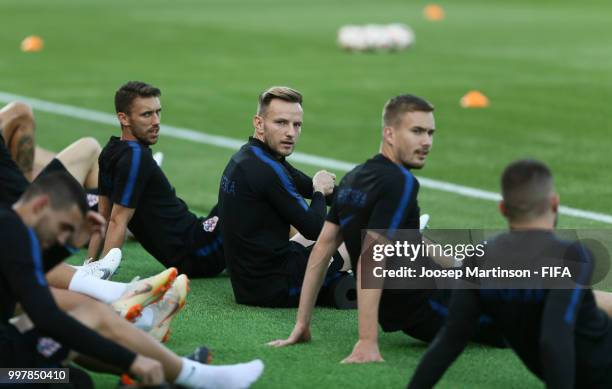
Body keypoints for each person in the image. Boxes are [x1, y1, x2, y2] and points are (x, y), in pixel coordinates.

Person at [268, 94, 506, 363]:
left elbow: (322, 249)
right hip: (428, 305)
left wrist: (302, 324)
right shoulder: (401, 182)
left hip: (428, 293)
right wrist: (367, 341)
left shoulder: (355, 176)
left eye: (430, 132)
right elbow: (372, 257)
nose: (426, 141)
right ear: (389, 134)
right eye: (416, 131)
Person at [1, 171, 264, 389]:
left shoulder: (9, 226)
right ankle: (191, 376)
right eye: (63, 229)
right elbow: (48, 316)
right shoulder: (13, 233)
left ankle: (164, 376)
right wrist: (132, 360)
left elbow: (25, 274)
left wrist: (71, 244)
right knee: (89, 314)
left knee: (73, 379)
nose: (60, 239)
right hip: (7, 372)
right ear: (40, 205)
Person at [407, 159, 612, 388]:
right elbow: (554, 339)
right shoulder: (573, 256)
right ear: (554, 203)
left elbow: (449, 341)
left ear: (503, 208)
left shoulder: (478, 259)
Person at [217, 86, 350, 308]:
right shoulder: (267, 170)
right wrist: (319, 191)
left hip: (251, 284)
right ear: (259, 123)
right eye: (281, 123)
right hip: (276, 287)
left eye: (296, 125)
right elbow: (315, 228)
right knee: (365, 241)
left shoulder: (251, 156)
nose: (291, 132)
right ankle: (421, 285)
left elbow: (307, 185)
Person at [89, 81, 224, 278]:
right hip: (198, 254)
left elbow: (102, 216)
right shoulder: (137, 157)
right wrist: (100, 276)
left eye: (158, 112)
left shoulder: (110, 151)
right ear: (123, 118)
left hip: (194, 241)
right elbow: (116, 221)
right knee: (253, 189)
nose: (156, 121)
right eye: (147, 114)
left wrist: (89, 266)